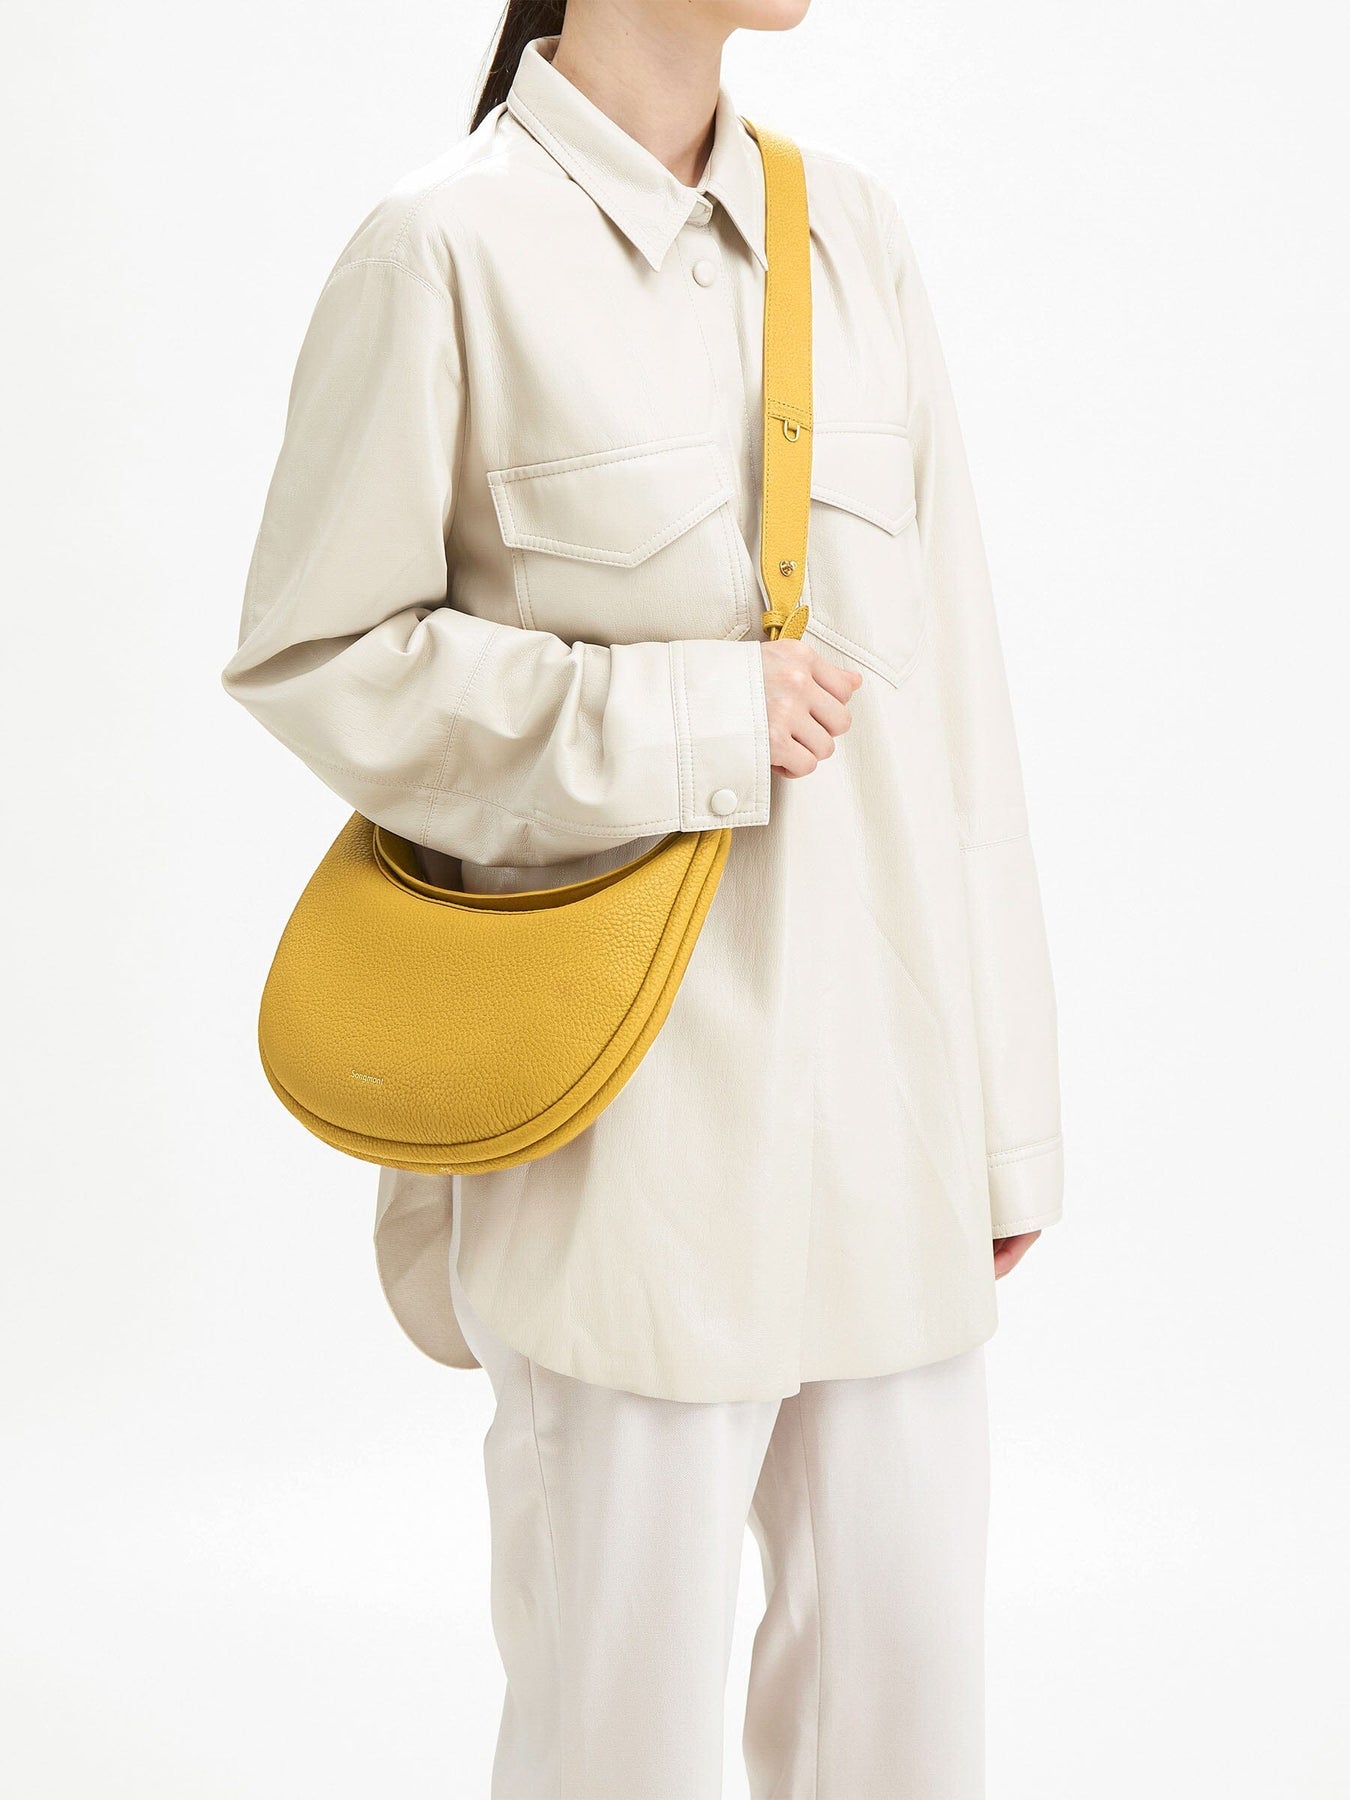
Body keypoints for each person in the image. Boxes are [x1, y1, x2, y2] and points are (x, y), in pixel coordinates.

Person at [220, 2, 1063, 1793]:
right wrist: (685, 718)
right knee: (620, 1750)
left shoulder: (853, 235)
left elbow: (961, 712)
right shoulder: (443, 247)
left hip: (886, 1132)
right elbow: (317, 658)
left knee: (908, 1730)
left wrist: (1002, 1121)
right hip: (620, 1159)